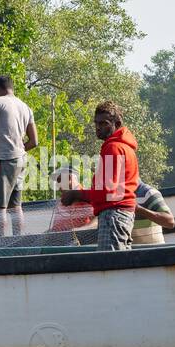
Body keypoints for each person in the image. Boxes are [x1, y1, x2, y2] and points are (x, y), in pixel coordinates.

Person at [60, 101, 138, 251]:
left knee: (110, 265)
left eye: (104, 123)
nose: (98, 127)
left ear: (117, 123)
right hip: (122, 215)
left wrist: (77, 194)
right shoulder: (125, 147)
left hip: (113, 215)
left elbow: (108, 193)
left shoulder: (113, 148)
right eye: (96, 123)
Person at [0, 75, 38, 236]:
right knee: (16, 206)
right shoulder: (25, 106)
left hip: (5, 158)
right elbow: (34, 141)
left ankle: (0, 243)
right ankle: (18, 241)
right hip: (21, 160)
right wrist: (19, 149)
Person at [130, 180, 175, 246]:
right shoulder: (115, 195)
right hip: (129, 253)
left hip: (153, 252)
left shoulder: (148, 193)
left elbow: (170, 222)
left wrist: (138, 209)